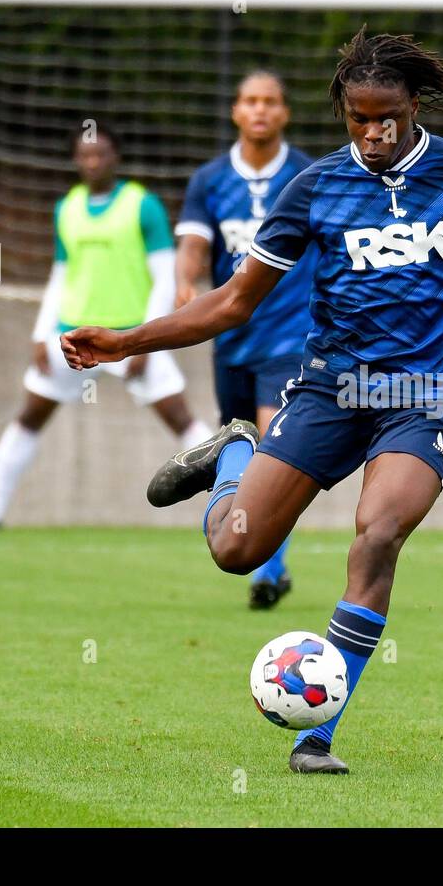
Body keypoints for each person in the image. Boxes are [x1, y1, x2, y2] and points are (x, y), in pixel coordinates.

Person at [62, 29, 443, 774]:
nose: (374, 133)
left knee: (377, 535)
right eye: (358, 119)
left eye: (388, 118)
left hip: (426, 397)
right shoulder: (314, 188)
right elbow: (232, 302)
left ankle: (318, 735)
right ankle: (236, 450)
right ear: (343, 112)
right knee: (235, 549)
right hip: (330, 391)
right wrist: (127, 341)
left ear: (415, 106)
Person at [0, 123, 213, 529]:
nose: (93, 161)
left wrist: (146, 341)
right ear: (76, 160)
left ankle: (238, 502)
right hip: (71, 338)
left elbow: (165, 276)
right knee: (29, 415)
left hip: (127, 337)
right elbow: (61, 274)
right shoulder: (67, 208)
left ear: (115, 156)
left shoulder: (141, 205)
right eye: (85, 154)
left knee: (181, 419)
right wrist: (41, 334)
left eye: (101, 153)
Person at [176, 70, 319, 609]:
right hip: (231, 338)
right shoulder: (210, 180)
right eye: (250, 101)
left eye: (271, 102)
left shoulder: (309, 174)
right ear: (236, 111)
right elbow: (193, 245)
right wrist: (185, 283)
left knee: (272, 448)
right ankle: (259, 553)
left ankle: (267, 570)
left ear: (284, 112)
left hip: (291, 338)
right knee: (240, 443)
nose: (260, 110)